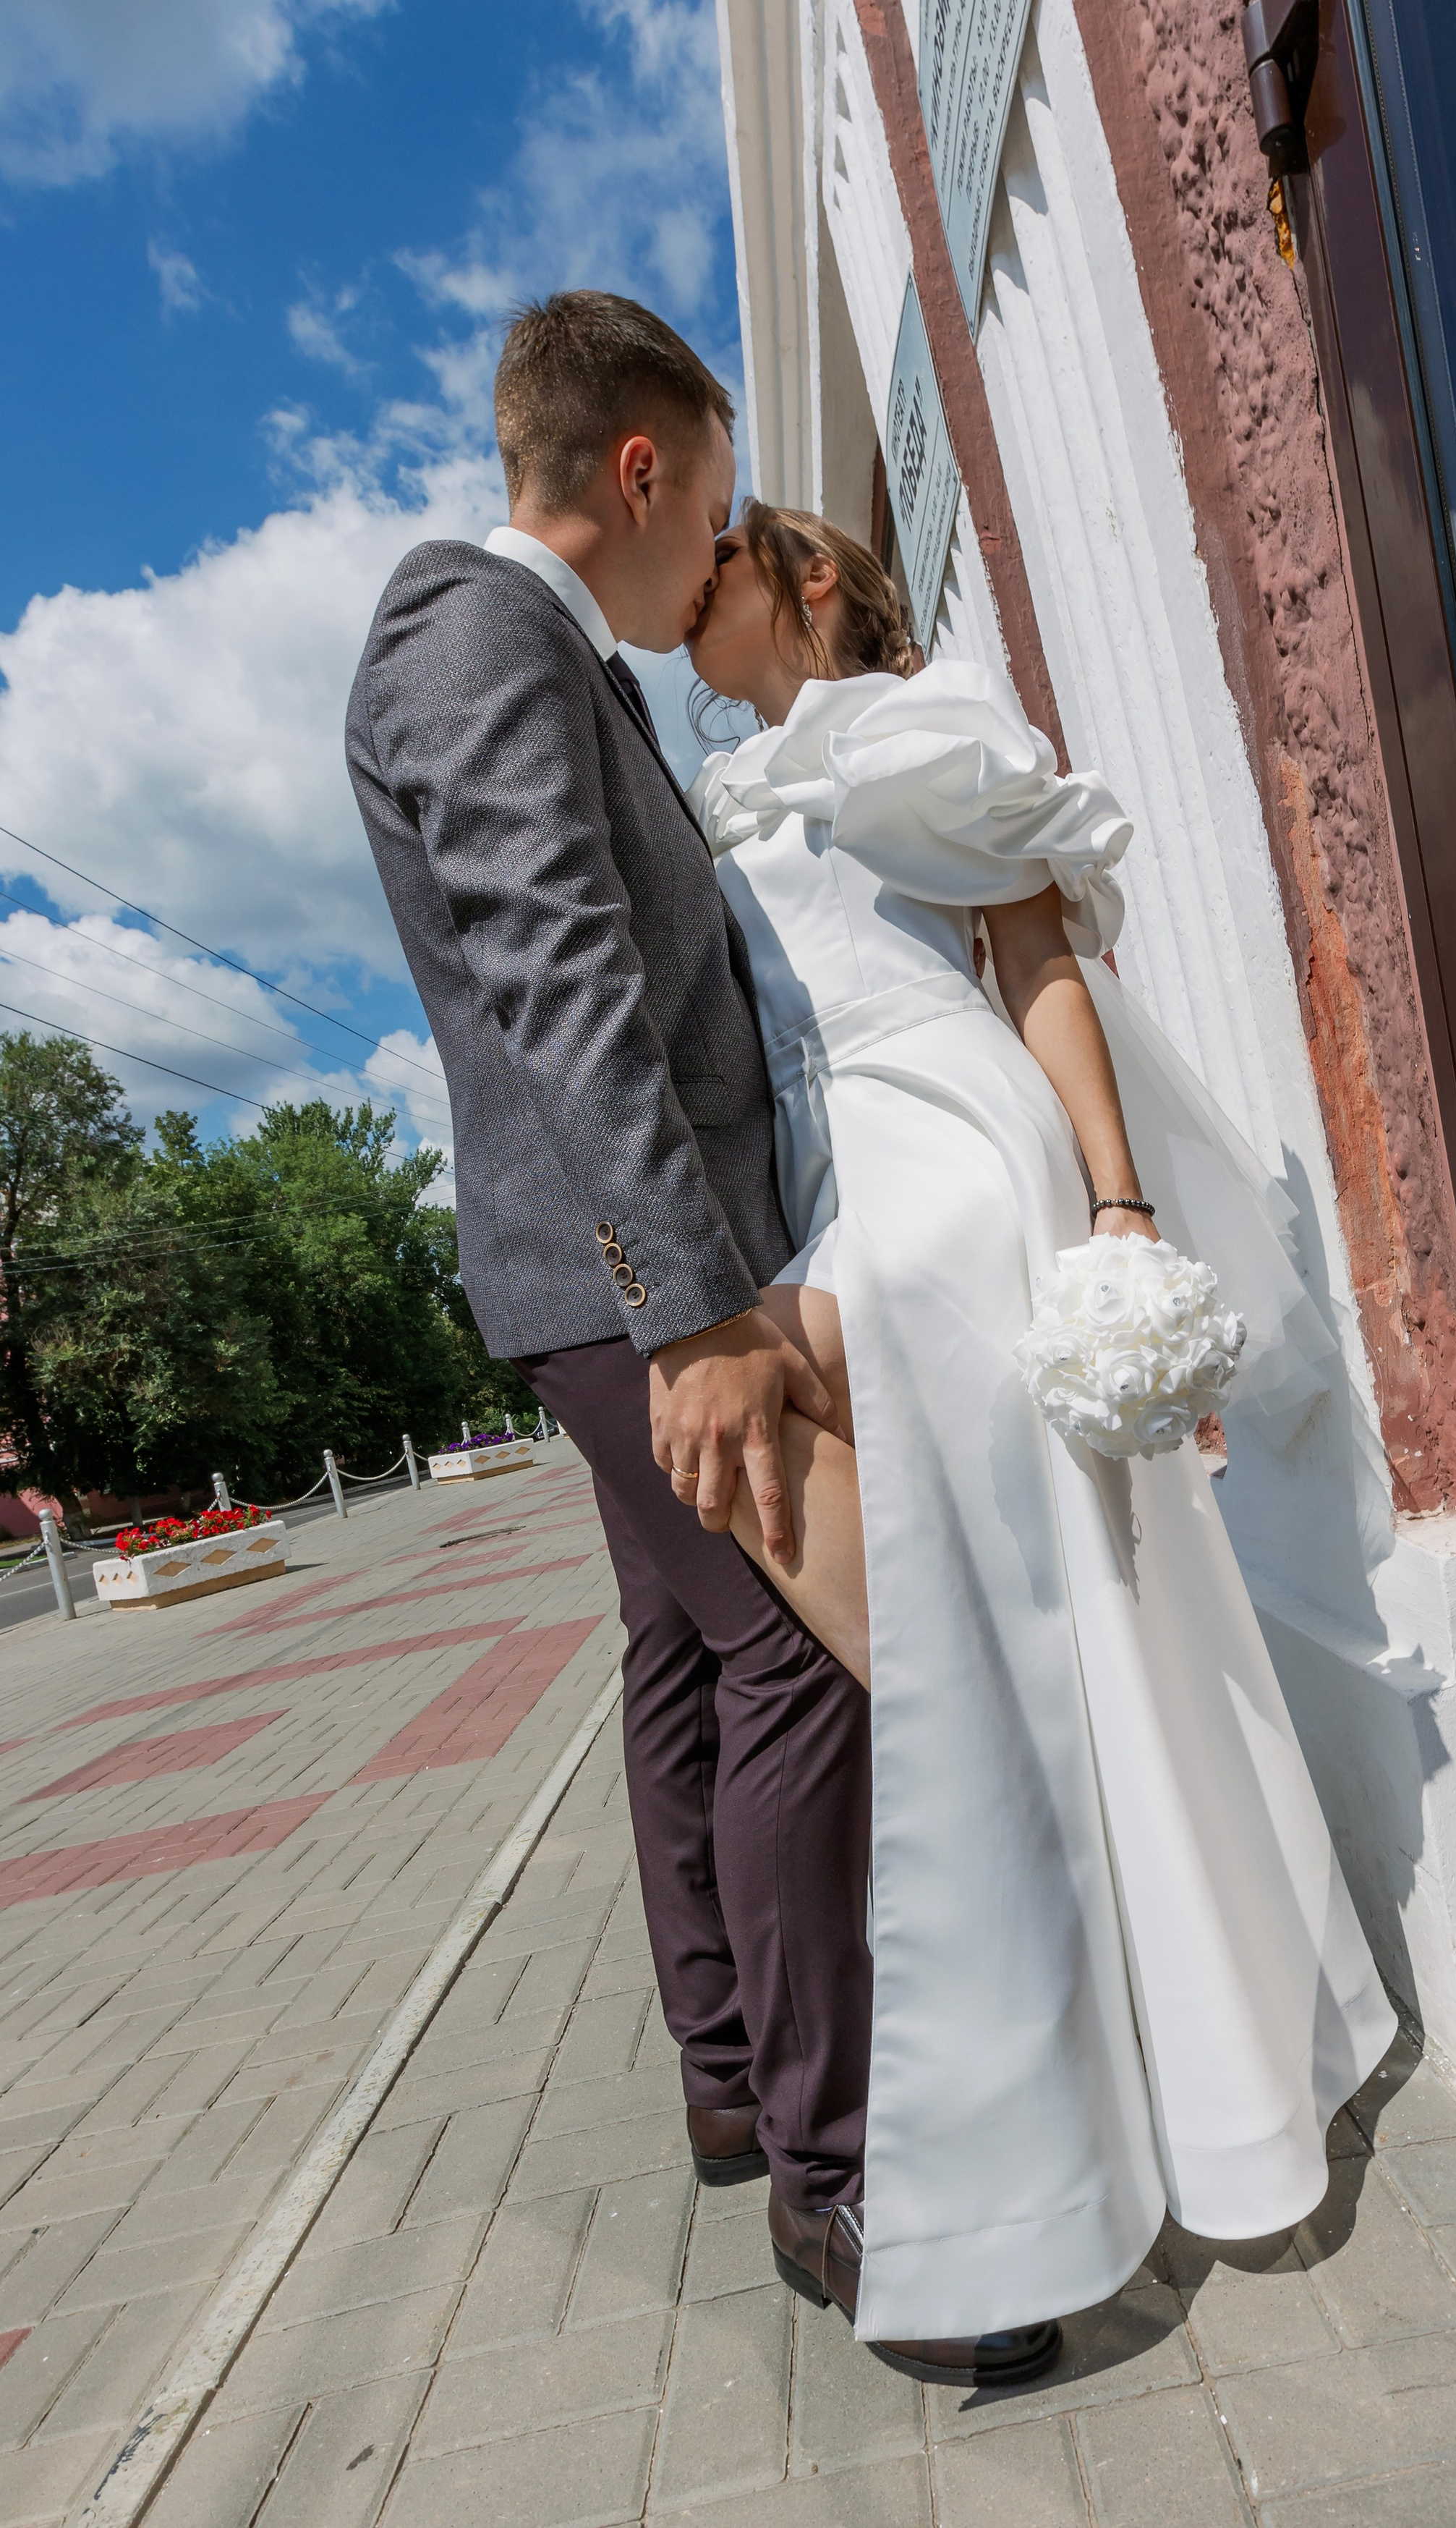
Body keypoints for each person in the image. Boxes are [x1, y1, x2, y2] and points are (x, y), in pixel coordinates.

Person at [345, 294, 1061, 2389]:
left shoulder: (522, 649)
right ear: (641, 470)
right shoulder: (472, 635)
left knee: (684, 1651)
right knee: (802, 1665)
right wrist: (698, 1315)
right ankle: (857, 2192)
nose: (723, 547)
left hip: (613, 1265)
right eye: (718, 495)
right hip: (621, 1273)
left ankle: (739, 2075)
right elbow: (566, 979)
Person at [683, 499, 1397, 2349]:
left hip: (967, 1183)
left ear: (808, 576)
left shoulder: (925, 720)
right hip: (853, 1208)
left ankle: (1193, 2088)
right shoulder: (728, 781)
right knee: (988, 1643)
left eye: (720, 568)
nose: (686, 604)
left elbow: (1029, 954)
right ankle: (1072, 2082)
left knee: (1086, 1618)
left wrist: (1115, 1202)